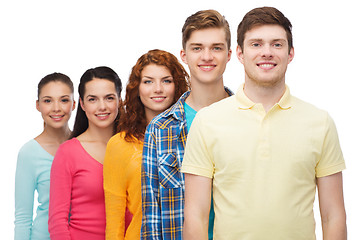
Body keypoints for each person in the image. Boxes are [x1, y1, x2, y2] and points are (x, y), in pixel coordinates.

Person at [181, 6, 347, 240]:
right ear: (239, 53)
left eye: (277, 44)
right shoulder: (207, 122)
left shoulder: (320, 123)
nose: (267, 52)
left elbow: (333, 215)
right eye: (256, 44)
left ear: (290, 53)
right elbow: (196, 215)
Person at [141, 10, 233, 240]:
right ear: (184, 54)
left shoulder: (249, 118)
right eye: (197, 48)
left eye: (217, 48)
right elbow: (151, 216)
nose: (207, 56)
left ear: (230, 54)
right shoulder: (160, 129)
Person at [103, 49, 189, 240]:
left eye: (166, 81)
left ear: (177, 86)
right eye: (148, 81)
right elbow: (115, 221)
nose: (157, 89)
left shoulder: (192, 133)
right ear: (137, 88)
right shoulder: (119, 144)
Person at [48, 66, 122, 240]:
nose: (102, 106)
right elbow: (57, 221)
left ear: (120, 100)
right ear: (82, 104)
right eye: (93, 99)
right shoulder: (68, 152)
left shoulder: (132, 146)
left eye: (109, 98)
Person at [14, 73, 75, 240]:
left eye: (64, 100)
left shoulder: (83, 145)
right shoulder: (28, 153)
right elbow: (22, 217)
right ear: (38, 105)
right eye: (48, 101)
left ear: (75, 104)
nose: (56, 108)